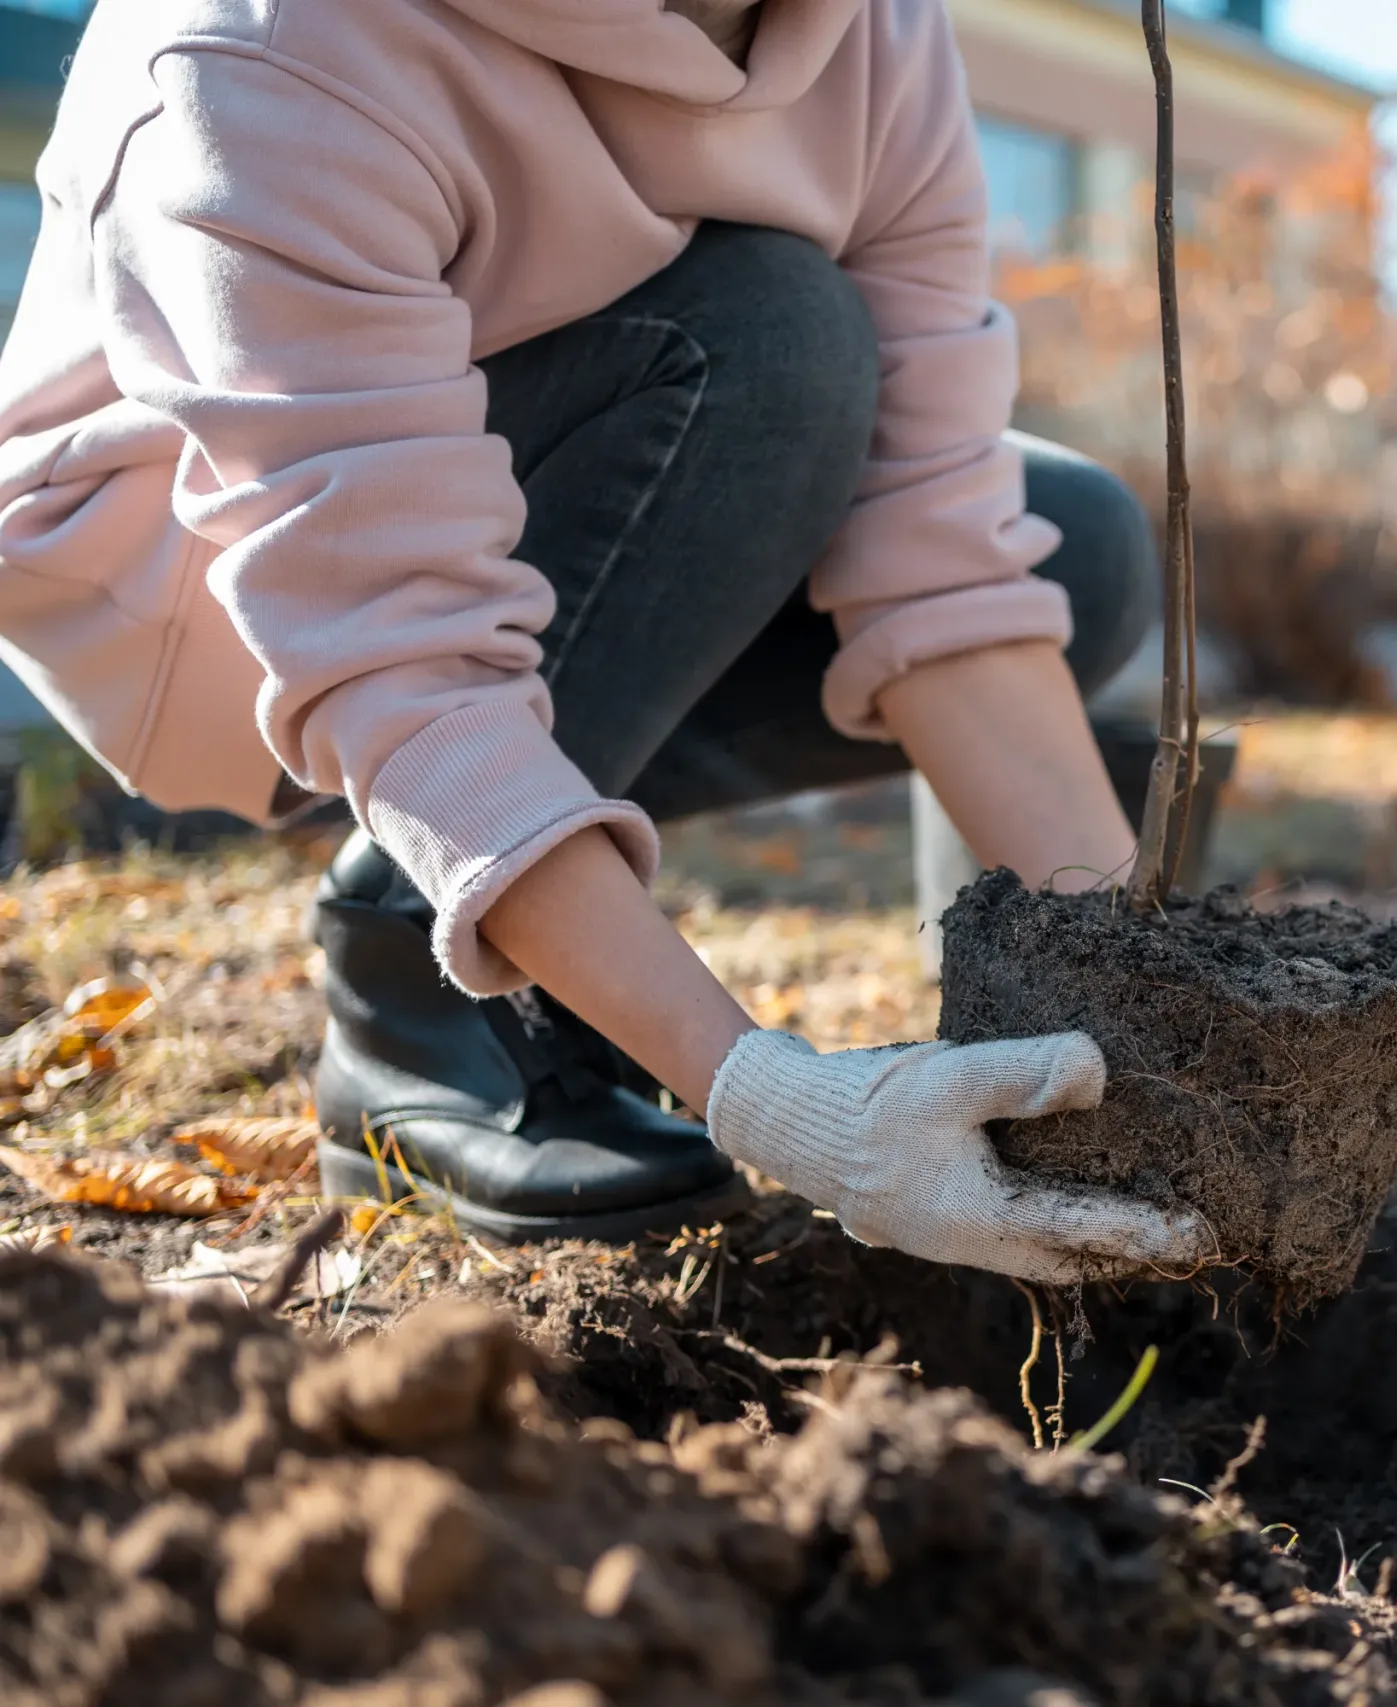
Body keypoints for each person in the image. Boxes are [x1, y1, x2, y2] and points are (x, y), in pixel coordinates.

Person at [0, 0, 1210, 1283]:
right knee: (777, 338)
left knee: (1076, 545)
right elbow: (391, 647)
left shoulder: (876, 30)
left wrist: (1143, 1019)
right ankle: (420, 973)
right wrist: (767, 1095)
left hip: (546, 497)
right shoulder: (264, 45)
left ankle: (533, 895)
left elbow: (941, 551)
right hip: (206, 611)